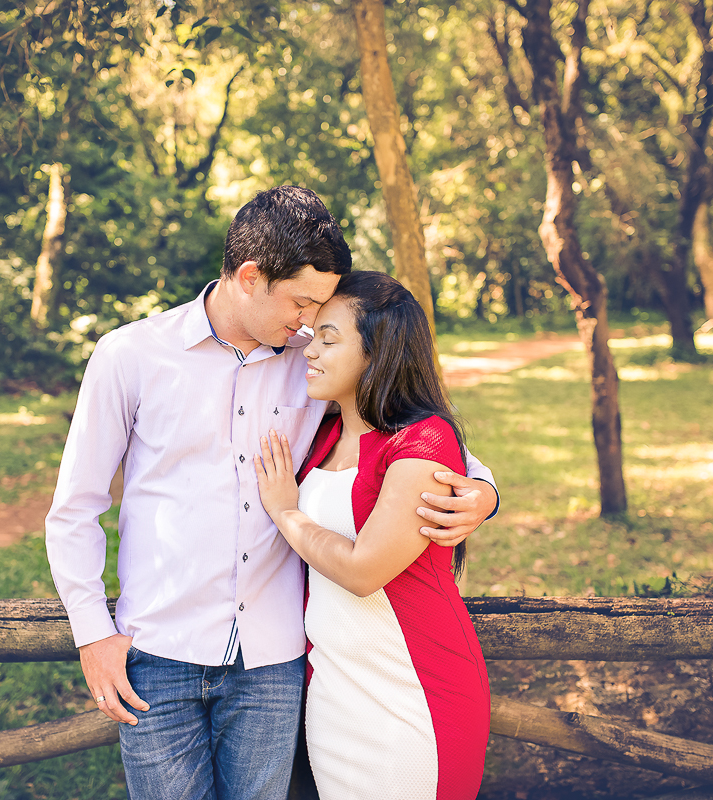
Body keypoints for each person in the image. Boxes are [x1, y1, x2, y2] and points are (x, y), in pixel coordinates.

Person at [45, 186, 498, 800]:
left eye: (320, 309)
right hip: (158, 655)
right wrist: (92, 634)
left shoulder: (311, 361)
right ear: (251, 277)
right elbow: (75, 508)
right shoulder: (131, 356)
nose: (311, 322)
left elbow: (410, 424)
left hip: (274, 662)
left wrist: (483, 490)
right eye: (302, 302)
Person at [255, 270, 492, 800]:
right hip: (335, 698)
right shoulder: (325, 434)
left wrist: (286, 513)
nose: (309, 352)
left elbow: (364, 571)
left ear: (377, 351)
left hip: (413, 698)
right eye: (312, 335)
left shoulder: (422, 441)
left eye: (328, 339)